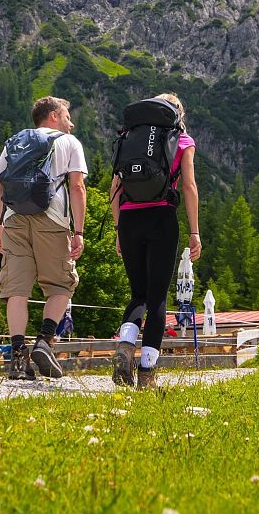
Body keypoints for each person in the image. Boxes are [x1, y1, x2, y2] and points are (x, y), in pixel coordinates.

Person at [0, 96, 88, 380]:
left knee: (17, 291)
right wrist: (78, 231)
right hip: (52, 219)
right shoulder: (69, 142)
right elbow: (77, 186)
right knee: (61, 284)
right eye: (67, 115)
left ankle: (18, 359)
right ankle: (45, 341)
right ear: (54, 116)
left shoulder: (15, 142)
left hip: (13, 219)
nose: (71, 121)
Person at [110, 92, 201, 389]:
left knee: (137, 294)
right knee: (157, 298)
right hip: (161, 218)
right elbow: (188, 186)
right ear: (178, 115)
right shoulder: (183, 141)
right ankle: (147, 374)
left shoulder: (129, 137)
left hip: (129, 220)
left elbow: (115, 187)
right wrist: (194, 231)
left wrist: (118, 228)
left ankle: (124, 346)